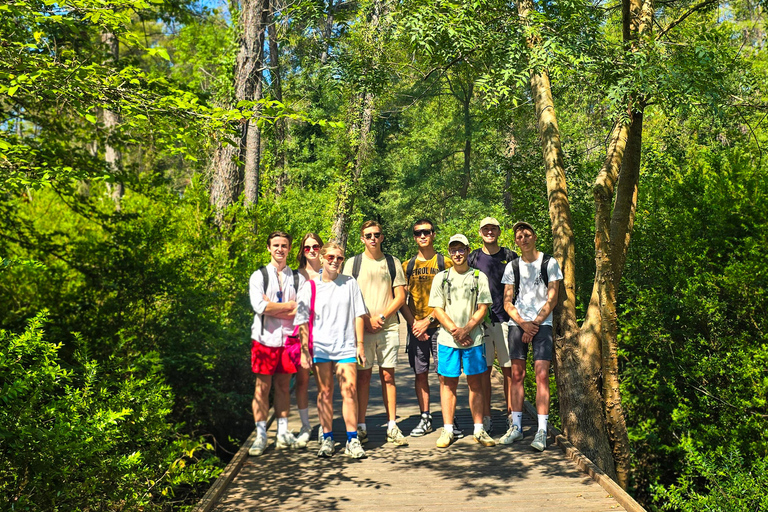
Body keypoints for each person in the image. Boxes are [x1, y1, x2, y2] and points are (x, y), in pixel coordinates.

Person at [296, 242, 369, 458]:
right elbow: (302, 321)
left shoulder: (350, 283)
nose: (335, 261)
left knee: (350, 391)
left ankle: (352, 439)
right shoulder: (310, 286)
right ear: (321, 258)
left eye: (339, 258)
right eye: (330, 257)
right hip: (321, 346)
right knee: (325, 393)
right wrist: (304, 350)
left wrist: (360, 345)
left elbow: (358, 315)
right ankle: (327, 438)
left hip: (346, 345)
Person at [343, 221, 408, 446]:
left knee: (388, 376)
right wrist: (365, 320)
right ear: (362, 238)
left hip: (388, 327)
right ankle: (361, 426)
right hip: (362, 329)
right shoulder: (353, 264)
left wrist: (380, 318)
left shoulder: (392, 262)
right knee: (363, 377)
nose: (372, 238)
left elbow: (400, 296)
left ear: (382, 237)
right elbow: (346, 296)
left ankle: (392, 425)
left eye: (376, 235)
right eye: (368, 235)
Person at [429, 234, 496, 448]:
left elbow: (483, 307)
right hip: (448, 340)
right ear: (449, 252)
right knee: (448, 383)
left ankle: (479, 429)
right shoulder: (442, 277)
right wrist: (454, 330)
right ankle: (447, 429)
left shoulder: (478, 276)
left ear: (468, 251)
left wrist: (466, 329)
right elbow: (437, 308)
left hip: (474, 339)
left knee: (475, 383)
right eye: (453, 250)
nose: (457, 254)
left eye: (461, 249)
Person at [501, 221, 563, 451]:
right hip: (519, 323)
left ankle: (542, 430)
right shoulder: (512, 266)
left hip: (542, 324)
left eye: (527, 235)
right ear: (515, 241)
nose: (524, 239)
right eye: (519, 236)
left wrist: (535, 324)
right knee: (517, 374)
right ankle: (516, 427)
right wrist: (523, 324)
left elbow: (553, 298)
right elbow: (507, 301)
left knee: (542, 375)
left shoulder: (549, 263)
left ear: (535, 237)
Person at [400, 219, 464, 438]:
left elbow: (452, 298)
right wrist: (414, 324)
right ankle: (425, 417)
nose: (423, 236)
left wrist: (428, 321)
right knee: (421, 373)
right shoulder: (407, 265)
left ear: (434, 235)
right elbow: (401, 298)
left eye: (426, 232)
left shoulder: (444, 262)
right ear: (414, 236)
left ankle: (450, 418)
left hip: (440, 328)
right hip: (416, 328)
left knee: (445, 374)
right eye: (418, 233)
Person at [248, 231, 305, 456]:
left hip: (289, 340)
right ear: (269, 248)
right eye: (276, 245)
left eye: (284, 245)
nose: (280, 249)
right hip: (264, 339)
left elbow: (302, 310)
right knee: (262, 388)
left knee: (283, 387)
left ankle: (282, 432)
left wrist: (274, 306)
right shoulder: (259, 276)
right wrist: (287, 306)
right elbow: (259, 307)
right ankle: (261, 435)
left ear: (290, 249)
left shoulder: (298, 278)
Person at [467, 217, 518, 435]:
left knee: (509, 371)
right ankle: (486, 417)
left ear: (499, 231)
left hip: (506, 320)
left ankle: (510, 415)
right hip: (482, 322)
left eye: (493, 229)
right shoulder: (473, 258)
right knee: (484, 371)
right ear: (480, 233)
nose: (489, 232)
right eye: (485, 229)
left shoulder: (510, 256)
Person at [293, 232, 324, 447]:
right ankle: (305, 426)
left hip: (325, 333)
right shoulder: (295, 276)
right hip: (301, 332)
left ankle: (324, 426)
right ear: (302, 251)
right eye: (307, 247)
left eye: (315, 246)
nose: (312, 250)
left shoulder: (330, 271)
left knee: (325, 384)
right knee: (302, 380)